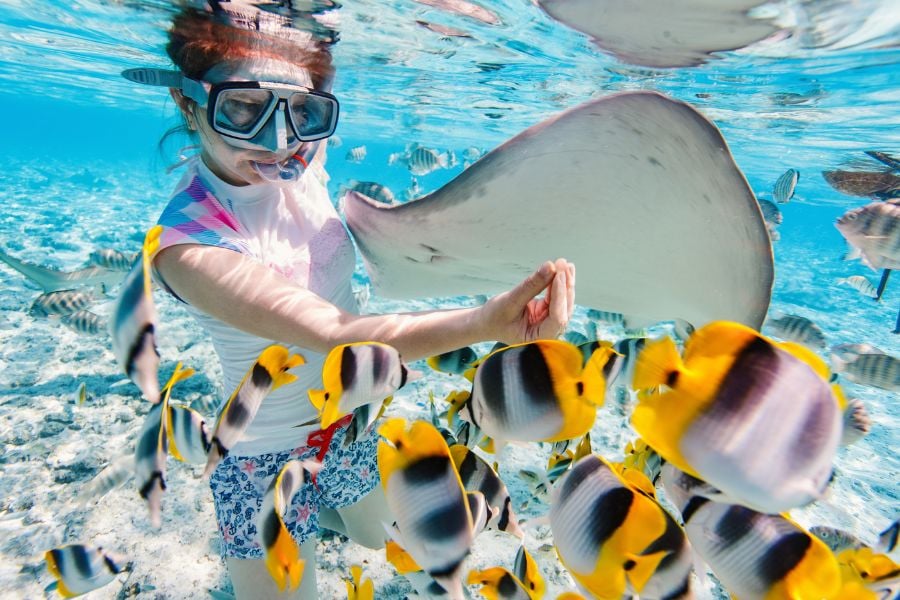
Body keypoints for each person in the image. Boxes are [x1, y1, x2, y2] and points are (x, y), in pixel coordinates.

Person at [128, 3, 575, 598]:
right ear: (188, 101)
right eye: (242, 108)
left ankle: (322, 520)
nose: (279, 142)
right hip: (263, 460)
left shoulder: (301, 159)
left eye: (303, 113)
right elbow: (338, 333)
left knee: (373, 538)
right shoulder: (187, 244)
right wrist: (486, 322)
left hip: (349, 421)